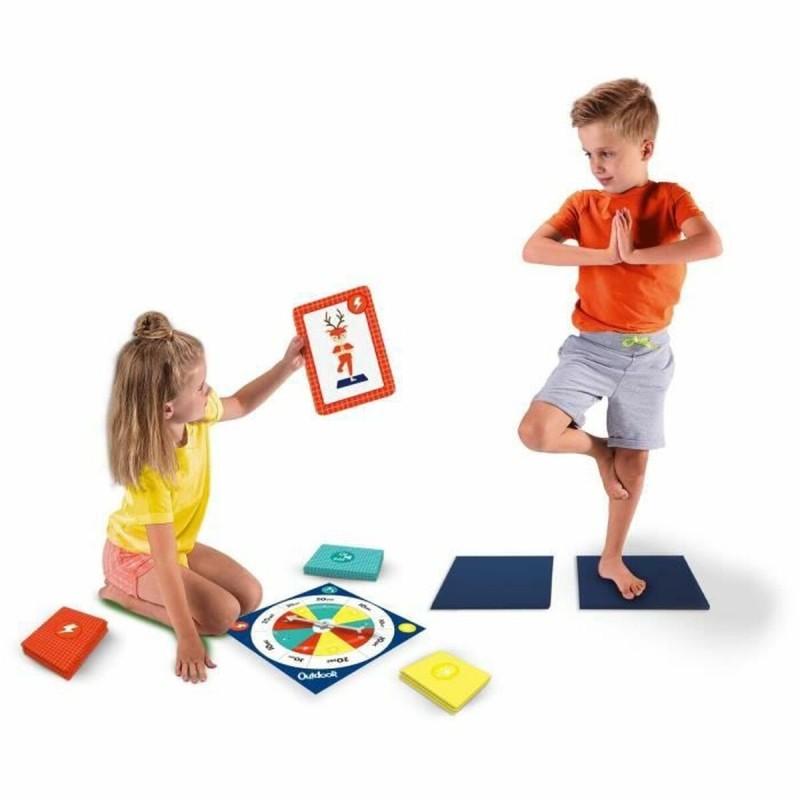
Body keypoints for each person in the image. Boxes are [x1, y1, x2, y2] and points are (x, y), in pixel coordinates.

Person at [518, 78, 722, 600]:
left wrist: (637, 254)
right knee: (537, 433)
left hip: (650, 355)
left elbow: (708, 243)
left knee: (635, 463)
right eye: (588, 153)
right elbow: (534, 249)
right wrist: (607, 255)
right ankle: (598, 451)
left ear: (645, 148)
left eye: (607, 152)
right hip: (591, 349)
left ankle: (612, 558)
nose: (597, 165)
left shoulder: (670, 197)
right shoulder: (582, 203)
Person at [100, 311, 304, 681]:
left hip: (179, 543)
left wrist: (285, 366)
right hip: (133, 557)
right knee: (221, 616)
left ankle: (161, 600)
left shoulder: (194, 415)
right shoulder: (151, 470)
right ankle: (124, 596)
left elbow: (241, 403)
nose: (209, 391)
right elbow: (164, 564)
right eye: (200, 387)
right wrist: (187, 637)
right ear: (168, 408)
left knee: (251, 596)